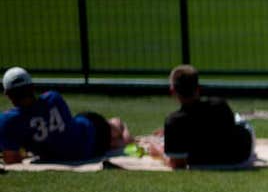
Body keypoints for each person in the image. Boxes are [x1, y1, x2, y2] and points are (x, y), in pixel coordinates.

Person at [1, 67, 131, 164]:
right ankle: (119, 126)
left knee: (117, 134)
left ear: (8, 95)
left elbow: (12, 158)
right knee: (118, 140)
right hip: (88, 133)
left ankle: (120, 124)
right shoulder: (53, 98)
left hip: (88, 139)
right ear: (32, 87)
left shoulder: (7, 121)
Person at [149, 65, 254, 169]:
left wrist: (158, 150)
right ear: (198, 88)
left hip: (207, 161)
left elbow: (177, 164)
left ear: (172, 91)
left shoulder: (173, 122)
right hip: (241, 157)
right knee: (237, 121)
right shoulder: (219, 105)